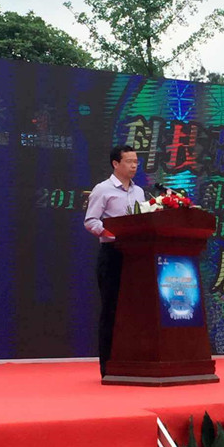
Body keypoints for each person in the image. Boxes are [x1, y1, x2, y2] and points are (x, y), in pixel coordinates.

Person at [84, 145, 145, 377]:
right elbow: (91, 221)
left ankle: (133, 362)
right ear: (115, 164)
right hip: (112, 254)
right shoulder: (103, 189)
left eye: (136, 162)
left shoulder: (139, 192)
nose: (134, 166)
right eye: (129, 161)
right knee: (111, 309)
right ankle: (108, 366)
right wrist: (114, 233)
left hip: (136, 256)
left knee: (135, 310)